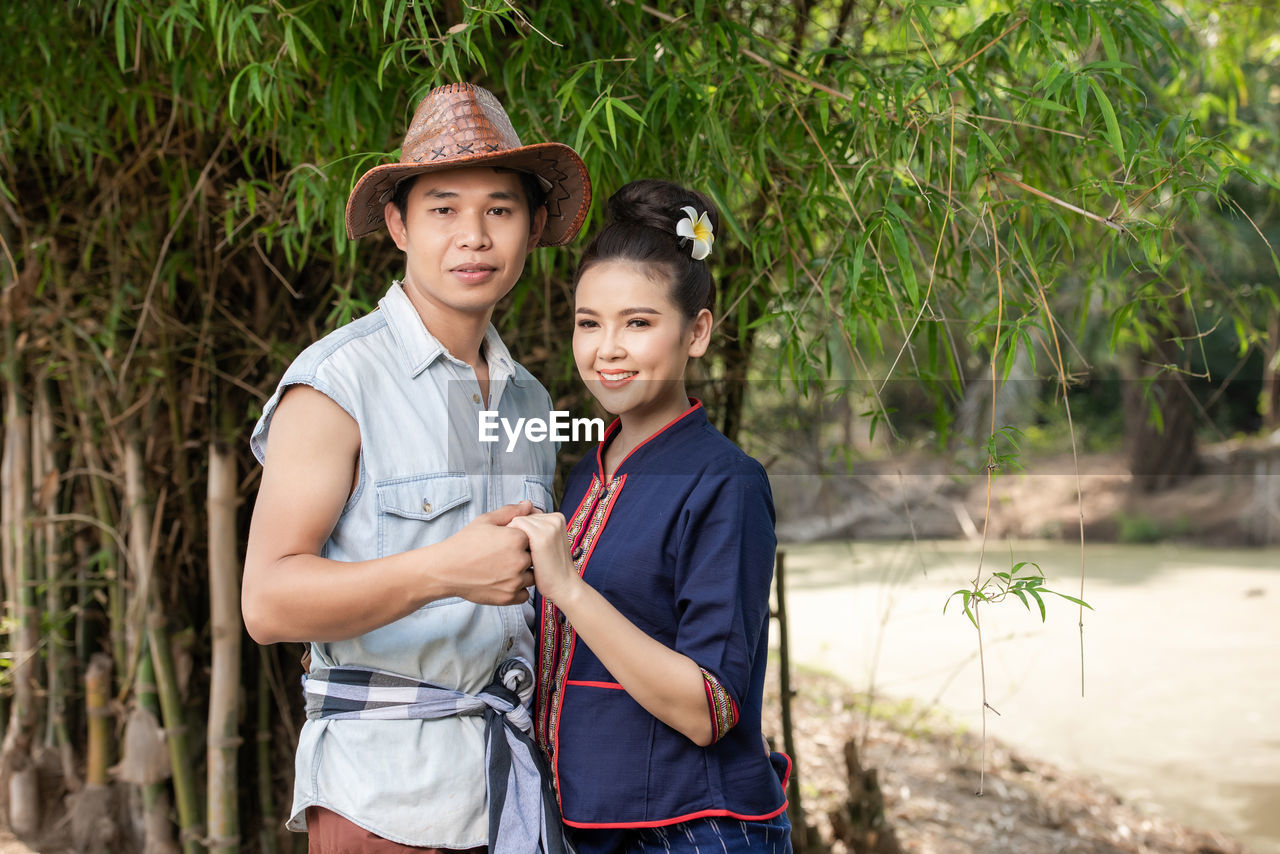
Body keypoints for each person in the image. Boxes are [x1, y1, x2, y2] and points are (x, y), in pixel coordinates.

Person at [241, 82, 590, 853]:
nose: (474, 236)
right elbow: (266, 602)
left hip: (512, 793)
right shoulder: (337, 384)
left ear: (532, 228)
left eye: (500, 210)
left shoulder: (530, 396)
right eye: (443, 209)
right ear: (397, 225)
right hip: (384, 800)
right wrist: (445, 570)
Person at [509, 180, 792, 854]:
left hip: (690, 831)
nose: (607, 348)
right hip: (588, 825)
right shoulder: (589, 472)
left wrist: (569, 588)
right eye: (589, 322)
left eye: (638, 323)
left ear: (696, 332)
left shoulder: (727, 483)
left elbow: (708, 709)